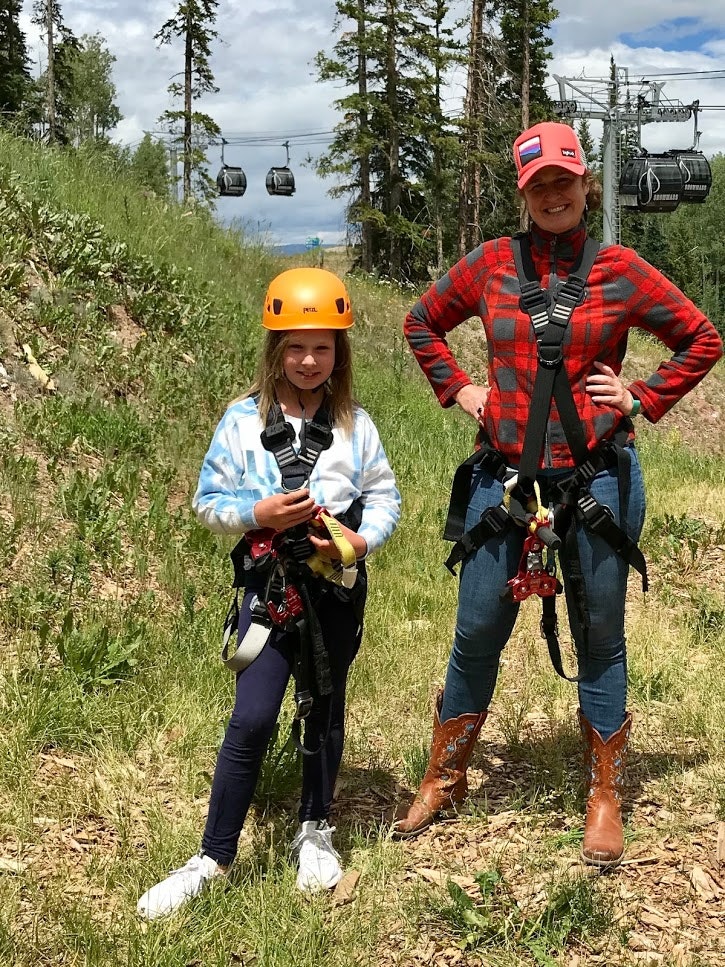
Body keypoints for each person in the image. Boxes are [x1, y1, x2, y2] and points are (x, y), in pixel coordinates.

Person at [394, 121, 723, 867]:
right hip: (502, 477)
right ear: (523, 193)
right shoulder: (488, 265)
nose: (552, 195)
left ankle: (603, 795)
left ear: (585, 185)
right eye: (537, 185)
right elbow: (421, 321)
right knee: (476, 629)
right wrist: (460, 387)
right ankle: (444, 776)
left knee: (599, 636)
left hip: (595, 477)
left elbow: (701, 339)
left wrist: (639, 395)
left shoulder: (620, 269)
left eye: (563, 182)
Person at [137, 267, 400, 919]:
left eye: (323, 346)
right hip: (269, 588)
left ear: (339, 353)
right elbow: (206, 503)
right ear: (274, 349)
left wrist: (359, 543)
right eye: (295, 346)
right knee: (252, 716)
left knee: (324, 706)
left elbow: (385, 496)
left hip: (334, 589)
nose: (309, 360)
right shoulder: (240, 421)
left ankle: (315, 827)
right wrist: (260, 512)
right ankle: (212, 855)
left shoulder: (355, 426)